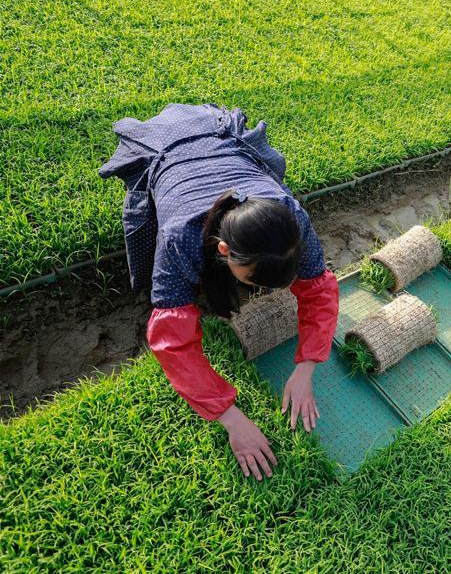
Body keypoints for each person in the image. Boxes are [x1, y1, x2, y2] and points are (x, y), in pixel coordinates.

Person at [99, 103, 339, 481]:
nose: (260, 292)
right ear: (223, 251)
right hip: (168, 147)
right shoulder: (181, 237)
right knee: (171, 285)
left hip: (218, 138)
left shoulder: (290, 215)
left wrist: (307, 365)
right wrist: (230, 419)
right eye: (254, 282)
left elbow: (319, 290)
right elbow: (173, 343)